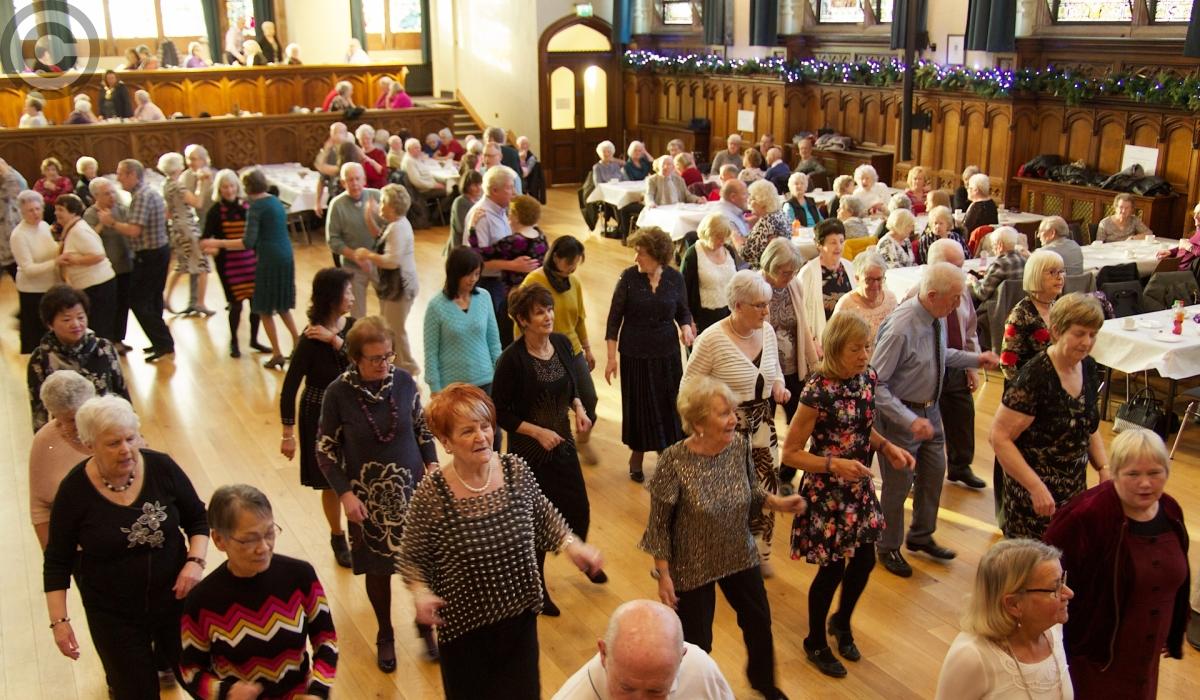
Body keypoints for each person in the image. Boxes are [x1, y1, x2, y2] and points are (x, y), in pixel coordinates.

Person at [401, 383, 603, 698]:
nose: (482, 436)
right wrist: (421, 592)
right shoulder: (433, 493)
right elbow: (411, 555)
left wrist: (572, 545)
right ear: (446, 441)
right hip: (464, 628)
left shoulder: (515, 470)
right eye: (467, 431)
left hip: (519, 618)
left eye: (485, 426)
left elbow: (542, 515)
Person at [640, 376, 802, 700]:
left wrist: (779, 503)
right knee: (698, 643)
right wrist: (664, 576)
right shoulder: (673, 461)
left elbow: (753, 492)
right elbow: (658, 526)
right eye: (724, 414)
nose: (733, 420)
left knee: (758, 620)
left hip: (738, 551)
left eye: (733, 411)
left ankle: (764, 683)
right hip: (692, 562)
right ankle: (694, 692)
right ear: (699, 422)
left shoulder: (739, 446)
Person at [43, 395, 209, 699]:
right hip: (113, 613)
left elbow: (198, 518)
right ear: (89, 444)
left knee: (200, 681)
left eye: (130, 438)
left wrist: (194, 562)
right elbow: (57, 560)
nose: (126, 449)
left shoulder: (162, 467)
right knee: (136, 691)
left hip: (175, 598)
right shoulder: (73, 491)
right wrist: (60, 622)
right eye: (113, 443)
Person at [782, 312, 916, 678]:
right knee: (832, 569)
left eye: (867, 347)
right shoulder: (817, 390)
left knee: (864, 561)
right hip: (828, 491)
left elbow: (861, 425)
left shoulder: (867, 378)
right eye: (856, 348)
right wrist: (833, 465)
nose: (864, 355)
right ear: (836, 348)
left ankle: (841, 622)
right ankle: (815, 641)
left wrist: (886, 447)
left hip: (857, 487)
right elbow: (791, 453)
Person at [316, 316, 437, 670]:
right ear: (355, 358)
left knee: (423, 562)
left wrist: (431, 466)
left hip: (413, 491)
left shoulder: (403, 381)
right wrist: (345, 495)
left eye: (388, 356)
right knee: (378, 569)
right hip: (368, 501)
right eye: (375, 359)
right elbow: (324, 450)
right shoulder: (338, 393)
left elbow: (421, 428)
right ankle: (385, 632)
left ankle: (424, 623)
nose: (383, 364)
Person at [872, 263, 1000, 577]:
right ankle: (887, 547)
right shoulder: (902, 327)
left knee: (933, 475)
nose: (959, 304)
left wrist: (975, 359)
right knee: (897, 486)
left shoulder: (936, 316)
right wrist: (907, 419)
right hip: (901, 417)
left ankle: (921, 535)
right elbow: (875, 383)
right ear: (932, 295)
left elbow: (940, 355)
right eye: (955, 298)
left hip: (930, 411)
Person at [1045, 428, 1190, 699]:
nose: (1145, 483)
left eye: (1155, 473)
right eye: (1133, 474)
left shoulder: (1171, 510)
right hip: (1096, 655)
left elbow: (1178, 579)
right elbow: (1044, 580)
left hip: (1146, 653)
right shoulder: (1084, 516)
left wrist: (1176, 624)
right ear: (1115, 473)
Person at [493, 285, 603, 615]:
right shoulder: (512, 360)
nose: (548, 316)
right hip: (529, 453)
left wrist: (580, 409)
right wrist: (537, 431)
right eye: (540, 312)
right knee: (536, 523)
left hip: (562, 444)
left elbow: (570, 388)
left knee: (578, 507)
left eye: (549, 309)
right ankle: (536, 588)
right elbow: (499, 412)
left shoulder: (559, 344)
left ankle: (580, 555)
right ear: (522, 320)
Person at [180, 484, 338, 698]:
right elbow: (191, 671)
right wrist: (226, 691)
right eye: (250, 539)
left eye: (269, 533)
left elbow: (326, 639)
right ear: (219, 540)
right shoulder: (202, 600)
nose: (264, 547)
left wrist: (318, 691)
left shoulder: (300, 575)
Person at [681, 271, 789, 573]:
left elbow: (774, 369)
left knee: (766, 489)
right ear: (738, 305)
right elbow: (688, 387)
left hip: (763, 427)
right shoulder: (712, 340)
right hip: (725, 431)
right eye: (759, 305)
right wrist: (703, 427)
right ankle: (724, 557)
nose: (766, 311)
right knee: (729, 497)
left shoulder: (766, 331)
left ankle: (758, 555)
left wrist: (778, 385)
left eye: (767, 304)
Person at [990, 293, 1107, 540]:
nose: (1087, 342)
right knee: (1032, 570)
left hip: (1073, 492)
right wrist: (1035, 487)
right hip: (1034, 499)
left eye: (1092, 334)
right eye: (1079, 333)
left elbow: (1090, 425)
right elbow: (998, 438)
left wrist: (1104, 468)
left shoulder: (1088, 367)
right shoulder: (1035, 377)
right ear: (1056, 332)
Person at [277, 267, 356, 571]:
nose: (351, 297)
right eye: (346, 292)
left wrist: (335, 340)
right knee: (331, 482)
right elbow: (289, 388)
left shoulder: (352, 328)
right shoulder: (309, 338)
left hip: (352, 411)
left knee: (358, 475)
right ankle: (338, 536)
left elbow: (366, 362)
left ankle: (358, 532)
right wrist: (288, 432)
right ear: (331, 297)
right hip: (320, 414)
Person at [605, 227, 694, 482]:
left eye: (641, 253)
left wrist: (686, 327)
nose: (636, 259)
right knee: (639, 405)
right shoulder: (628, 278)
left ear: (657, 254)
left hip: (667, 351)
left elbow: (683, 311)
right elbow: (613, 321)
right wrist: (611, 359)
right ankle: (637, 454)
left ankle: (668, 454)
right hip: (635, 352)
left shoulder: (675, 278)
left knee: (669, 404)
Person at [933, 539, 1074, 700]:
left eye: (1062, 580)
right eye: (1055, 587)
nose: (1069, 593)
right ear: (1014, 604)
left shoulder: (1053, 630)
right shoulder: (972, 656)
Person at [202, 169, 298, 369]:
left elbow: (248, 242)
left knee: (263, 308)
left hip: (269, 259)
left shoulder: (256, 206)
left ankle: (278, 354)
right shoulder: (274, 200)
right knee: (282, 305)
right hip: (286, 255)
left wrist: (218, 242)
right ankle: (297, 344)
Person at [519, 235, 600, 464]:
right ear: (556, 257)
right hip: (542, 350)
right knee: (552, 404)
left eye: (577, 263)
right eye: (569, 262)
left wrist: (588, 349)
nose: (573, 267)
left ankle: (582, 441)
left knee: (589, 398)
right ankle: (555, 449)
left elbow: (580, 319)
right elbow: (518, 317)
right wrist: (523, 352)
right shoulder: (535, 280)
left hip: (571, 348)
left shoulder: (574, 283)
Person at [552, 599, 734, 700]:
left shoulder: (701, 671)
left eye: (655, 691)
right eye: (626, 688)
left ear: (681, 658)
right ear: (604, 653)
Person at [924, 239, 987, 490]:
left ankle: (960, 466)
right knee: (926, 421)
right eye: (955, 266)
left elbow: (970, 330)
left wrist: (972, 366)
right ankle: (920, 472)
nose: (961, 272)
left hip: (957, 365)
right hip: (929, 369)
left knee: (962, 415)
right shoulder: (920, 294)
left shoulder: (961, 292)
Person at [761, 238, 821, 495]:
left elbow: (803, 326)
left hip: (793, 368)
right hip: (764, 370)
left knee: (800, 423)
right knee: (765, 428)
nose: (790, 276)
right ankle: (765, 477)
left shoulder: (794, 285)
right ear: (771, 267)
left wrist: (814, 364)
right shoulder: (755, 286)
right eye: (785, 272)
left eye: (792, 271)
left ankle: (786, 474)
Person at [27, 284, 129, 432]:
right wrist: (44, 444)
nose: (76, 324)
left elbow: (121, 392)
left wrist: (132, 431)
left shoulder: (104, 348)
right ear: (50, 324)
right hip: (67, 432)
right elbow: (38, 409)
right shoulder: (40, 358)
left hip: (106, 428)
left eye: (80, 317)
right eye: (66, 319)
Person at [101, 159, 176, 359]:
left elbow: (134, 230)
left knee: (138, 301)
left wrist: (111, 222)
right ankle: (161, 342)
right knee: (152, 300)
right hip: (158, 252)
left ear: (133, 175)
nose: (118, 178)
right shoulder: (146, 192)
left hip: (150, 255)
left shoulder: (142, 196)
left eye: (121, 174)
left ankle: (163, 342)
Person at [354, 183, 421, 375]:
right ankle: (399, 366)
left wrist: (367, 255)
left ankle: (408, 367)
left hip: (400, 286)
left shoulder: (399, 228)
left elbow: (392, 261)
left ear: (392, 207)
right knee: (390, 326)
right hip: (394, 285)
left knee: (395, 329)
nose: (381, 207)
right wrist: (369, 216)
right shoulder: (395, 225)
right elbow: (381, 237)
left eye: (383, 203)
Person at [201, 169, 264, 358]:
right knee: (235, 305)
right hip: (229, 265)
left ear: (237, 187)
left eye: (231, 186)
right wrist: (217, 249)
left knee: (256, 304)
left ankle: (254, 339)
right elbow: (204, 240)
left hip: (251, 262)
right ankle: (234, 342)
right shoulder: (215, 211)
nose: (229, 190)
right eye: (224, 187)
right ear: (219, 189)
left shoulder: (247, 206)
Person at [467, 165, 534, 341]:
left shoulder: (504, 211)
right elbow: (475, 260)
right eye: (509, 187)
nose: (514, 192)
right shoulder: (481, 215)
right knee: (494, 333)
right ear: (494, 190)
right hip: (488, 283)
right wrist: (513, 265)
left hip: (503, 283)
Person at [28, 370, 94, 549]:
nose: (81, 424)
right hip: (82, 550)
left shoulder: (119, 427)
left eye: (85, 413)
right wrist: (54, 561)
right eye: (72, 420)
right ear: (55, 416)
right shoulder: (45, 442)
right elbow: (39, 507)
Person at [53, 195, 118, 340]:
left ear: (73, 212)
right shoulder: (73, 229)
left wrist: (73, 260)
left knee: (100, 328)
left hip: (98, 286)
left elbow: (98, 255)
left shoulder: (79, 231)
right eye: (56, 209)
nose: (56, 213)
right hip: (92, 286)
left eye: (60, 210)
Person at [324, 162, 383, 318]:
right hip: (353, 266)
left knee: (388, 307)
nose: (354, 183)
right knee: (357, 314)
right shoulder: (337, 205)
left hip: (380, 262)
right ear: (343, 183)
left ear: (364, 179)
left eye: (357, 178)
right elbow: (333, 240)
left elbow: (390, 227)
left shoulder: (377, 196)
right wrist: (355, 255)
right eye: (349, 180)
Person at [158, 152, 214, 317]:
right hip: (187, 227)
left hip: (176, 227)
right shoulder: (178, 185)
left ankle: (166, 297)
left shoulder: (166, 185)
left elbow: (168, 212)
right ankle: (200, 302)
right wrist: (202, 184)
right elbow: (198, 202)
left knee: (182, 264)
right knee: (203, 265)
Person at [999, 250, 1067, 381]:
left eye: (1062, 271)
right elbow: (1007, 363)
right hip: (1031, 388)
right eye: (1052, 272)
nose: (1060, 277)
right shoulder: (1020, 315)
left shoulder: (1058, 307)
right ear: (1036, 275)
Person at [84, 177, 133, 354]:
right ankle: (107, 341)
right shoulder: (90, 214)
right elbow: (88, 239)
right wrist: (101, 224)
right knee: (109, 306)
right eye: (107, 193)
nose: (112, 196)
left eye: (113, 192)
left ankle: (119, 339)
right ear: (96, 196)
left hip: (125, 265)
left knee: (123, 304)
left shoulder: (121, 209)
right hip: (107, 270)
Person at [680, 212, 741, 336]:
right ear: (707, 233)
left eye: (725, 237)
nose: (722, 241)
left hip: (729, 315)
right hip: (704, 319)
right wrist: (688, 321)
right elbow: (682, 292)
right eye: (718, 236)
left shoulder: (728, 251)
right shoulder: (693, 255)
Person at [12, 189, 58, 353]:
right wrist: (56, 262)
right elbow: (28, 269)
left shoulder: (45, 226)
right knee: (37, 340)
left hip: (50, 287)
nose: (36, 213)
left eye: (38, 209)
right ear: (22, 212)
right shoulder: (19, 235)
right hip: (32, 291)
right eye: (31, 210)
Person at [799, 219, 856, 342]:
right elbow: (801, 313)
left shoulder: (850, 267)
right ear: (819, 245)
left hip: (848, 335)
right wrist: (812, 342)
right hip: (822, 339)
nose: (839, 247)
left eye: (841, 241)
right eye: (833, 243)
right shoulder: (808, 273)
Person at [833, 250, 898, 347]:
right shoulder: (845, 306)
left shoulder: (891, 299)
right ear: (857, 279)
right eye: (869, 280)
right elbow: (834, 343)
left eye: (879, 279)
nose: (875, 285)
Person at [971, 226, 1026, 308]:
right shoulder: (1024, 260)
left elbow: (982, 295)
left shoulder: (999, 265)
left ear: (1000, 245)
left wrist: (973, 281)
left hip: (998, 310)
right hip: (1020, 306)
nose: (993, 250)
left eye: (993, 245)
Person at [741, 179, 790, 269]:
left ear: (762, 202)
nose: (748, 202)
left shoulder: (765, 223)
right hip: (781, 265)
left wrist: (735, 238)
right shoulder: (779, 213)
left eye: (752, 198)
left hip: (765, 272)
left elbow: (746, 254)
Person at [0, 157, 29, 282]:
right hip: (5, 245)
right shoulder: (5, 193)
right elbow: (13, 181)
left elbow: (20, 184)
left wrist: (5, 168)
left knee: (23, 282)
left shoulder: (9, 190)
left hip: (11, 245)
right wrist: (5, 168)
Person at [446, 169, 482, 253]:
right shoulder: (460, 202)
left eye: (480, 184)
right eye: (475, 185)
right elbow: (461, 228)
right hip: (460, 247)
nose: (478, 188)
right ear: (466, 185)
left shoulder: (478, 200)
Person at [34, 157, 72, 221]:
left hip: (62, 208)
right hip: (45, 211)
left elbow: (66, 195)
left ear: (57, 170)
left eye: (53, 169)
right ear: (44, 172)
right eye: (47, 170)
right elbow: (35, 197)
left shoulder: (65, 180)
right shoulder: (40, 183)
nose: (51, 172)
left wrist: (55, 188)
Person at [715, 178, 751, 245]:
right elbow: (739, 247)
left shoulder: (733, 211)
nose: (748, 198)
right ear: (733, 197)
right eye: (744, 194)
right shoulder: (726, 218)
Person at [355, 124, 388, 190]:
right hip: (363, 187)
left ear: (372, 137)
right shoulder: (357, 154)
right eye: (362, 139)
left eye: (367, 138)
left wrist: (370, 160)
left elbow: (383, 172)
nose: (365, 141)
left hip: (378, 186)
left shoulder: (379, 152)